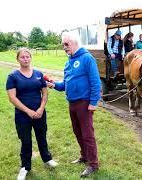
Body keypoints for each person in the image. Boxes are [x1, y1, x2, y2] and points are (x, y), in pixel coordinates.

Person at [47, 32, 101, 177]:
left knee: (87, 134)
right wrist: (53, 85)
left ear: (75, 43)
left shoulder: (87, 58)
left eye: (66, 44)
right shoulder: (68, 61)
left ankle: (93, 164)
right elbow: (65, 83)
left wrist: (93, 102)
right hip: (72, 103)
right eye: (63, 44)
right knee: (78, 132)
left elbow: (96, 82)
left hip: (84, 103)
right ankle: (84, 156)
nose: (64, 47)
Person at [6, 48, 58, 180]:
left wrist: (41, 109)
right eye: (22, 57)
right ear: (18, 59)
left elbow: (45, 92)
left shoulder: (38, 74)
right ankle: (25, 167)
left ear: (31, 58)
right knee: (26, 141)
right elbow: (12, 98)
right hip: (23, 115)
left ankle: (47, 159)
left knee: (42, 136)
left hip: (40, 113)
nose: (25, 59)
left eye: (27, 56)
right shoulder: (12, 76)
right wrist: (28, 111)